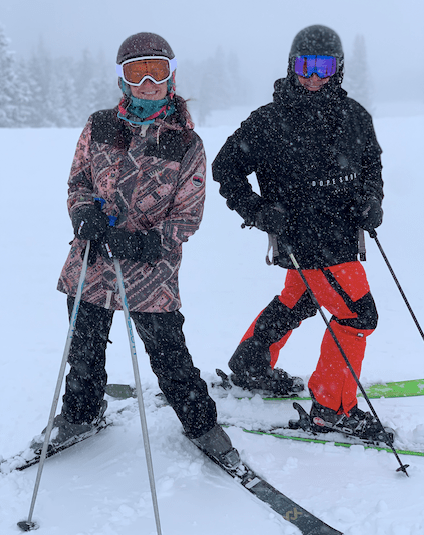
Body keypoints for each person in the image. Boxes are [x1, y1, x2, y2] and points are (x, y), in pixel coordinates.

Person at [32, 32, 240, 469]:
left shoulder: (187, 145)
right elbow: (79, 182)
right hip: (92, 262)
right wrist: (83, 211)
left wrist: (149, 242)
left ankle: (201, 425)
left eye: (157, 71)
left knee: (170, 356)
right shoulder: (99, 125)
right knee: (84, 350)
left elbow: (188, 215)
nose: (148, 82)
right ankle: (81, 415)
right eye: (136, 72)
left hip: (152, 273)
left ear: (172, 75)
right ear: (122, 80)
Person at [212, 25, 385, 440]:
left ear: (337, 69)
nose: (313, 76)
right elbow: (225, 168)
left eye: (322, 66)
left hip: (341, 235)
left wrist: (371, 201)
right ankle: (332, 408)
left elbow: (371, 167)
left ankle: (251, 365)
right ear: (291, 67)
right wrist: (255, 210)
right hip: (304, 240)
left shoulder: (354, 115)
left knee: (299, 299)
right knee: (358, 314)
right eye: (304, 65)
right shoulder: (270, 121)